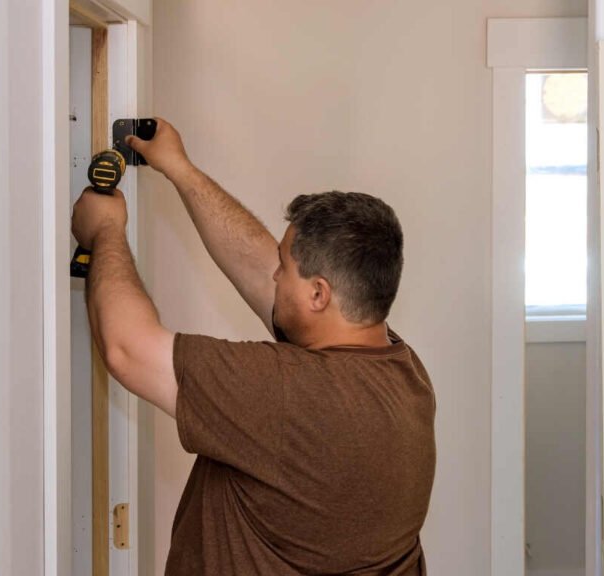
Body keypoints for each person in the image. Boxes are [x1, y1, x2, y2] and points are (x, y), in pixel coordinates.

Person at [71, 118, 436, 575]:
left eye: (285, 267)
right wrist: (180, 169)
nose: (275, 275)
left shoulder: (290, 396)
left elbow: (128, 348)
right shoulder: (401, 371)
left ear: (319, 294)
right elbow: (259, 264)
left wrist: (105, 233)